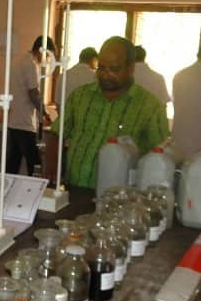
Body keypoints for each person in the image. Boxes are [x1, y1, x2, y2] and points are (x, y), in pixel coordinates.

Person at [45, 36, 169, 189]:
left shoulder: (150, 107)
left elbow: (160, 157)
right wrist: (52, 167)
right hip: (74, 189)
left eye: (114, 69)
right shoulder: (80, 96)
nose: (105, 74)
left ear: (130, 68)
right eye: (101, 67)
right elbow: (57, 133)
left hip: (118, 198)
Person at [7, 35, 55, 174]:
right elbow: (34, 94)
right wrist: (46, 113)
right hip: (24, 122)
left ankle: (8, 186)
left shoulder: (22, 60)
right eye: (47, 56)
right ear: (42, 51)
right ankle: (36, 186)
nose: (46, 60)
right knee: (35, 163)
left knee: (13, 163)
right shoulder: (31, 64)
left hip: (14, 120)